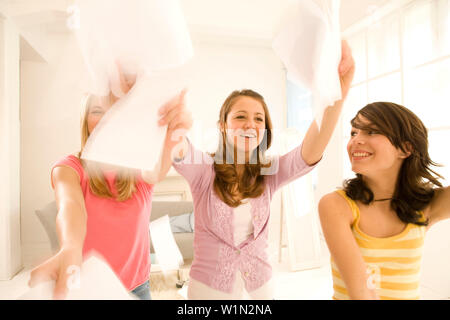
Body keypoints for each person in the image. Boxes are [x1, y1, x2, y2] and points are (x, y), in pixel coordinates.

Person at [156, 40, 355, 299]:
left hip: (261, 287)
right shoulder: (205, 169)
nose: (250, 124)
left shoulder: (269, 171)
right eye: (240, 116)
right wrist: (175, 121)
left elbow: (310, 151)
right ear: (223, 125)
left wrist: (336, 94)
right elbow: (179, 147)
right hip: (208, 290)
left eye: (258, 118)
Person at [28, 75, 192, 300]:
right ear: (84, 121)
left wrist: (176, 133)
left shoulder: (140, 168)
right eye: (97, 111)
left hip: (138, 288)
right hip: (90, 290)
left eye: (116, 112)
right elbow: (70, 206)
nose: (107, 119)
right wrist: (70, 246)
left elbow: (166, 160)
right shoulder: (68, 168)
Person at [318, 101, 450, 300]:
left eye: (371, 132)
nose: (356, 140)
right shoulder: (336, 205)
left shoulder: (427, 205)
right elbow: (361, 291)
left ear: (405, 149)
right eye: (354, 132)